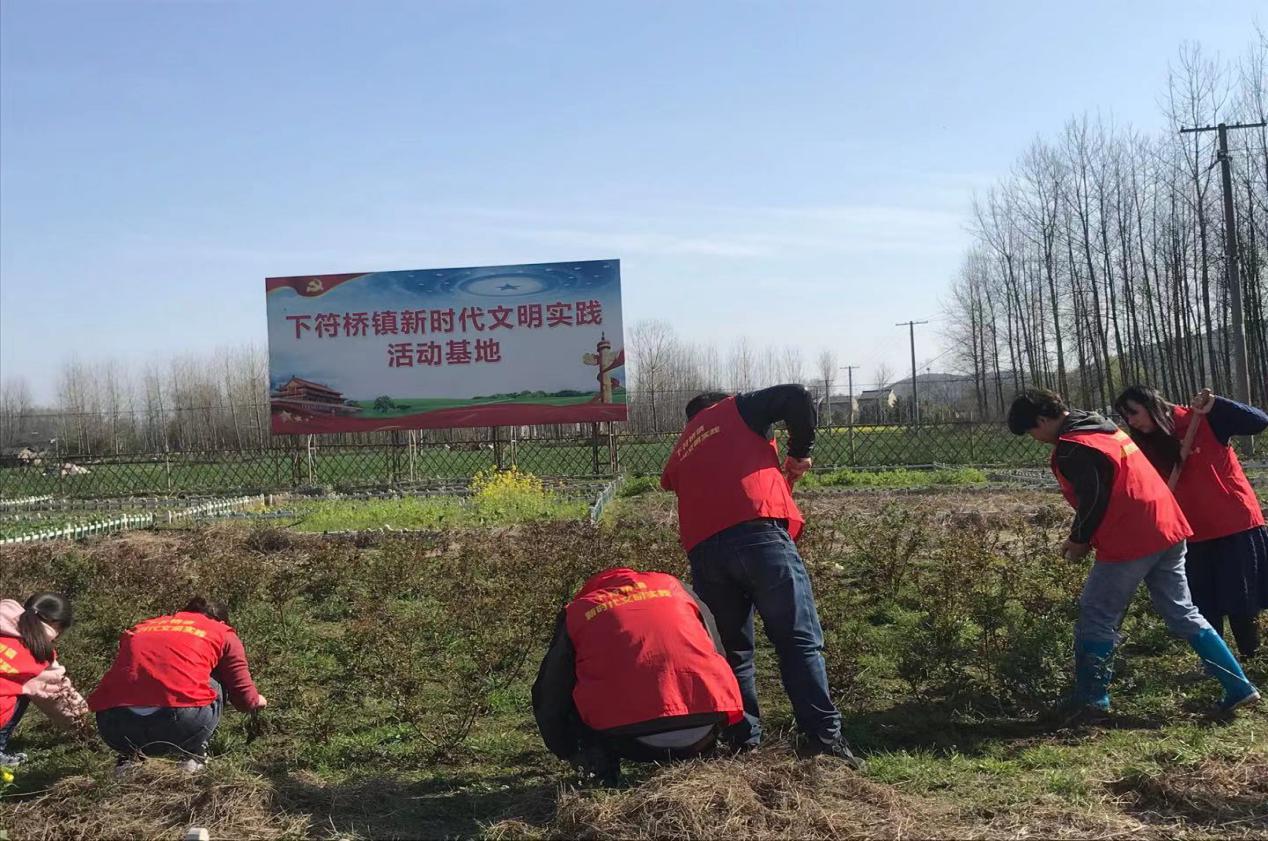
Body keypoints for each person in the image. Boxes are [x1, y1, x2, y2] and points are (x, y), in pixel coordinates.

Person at [1006, 388, 1259, 715]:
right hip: (1168, 527)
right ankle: (1238, 686)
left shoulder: (1074, 447)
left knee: (1096, 614)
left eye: (1031, 431)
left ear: (1042, 420)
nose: (1036, 438)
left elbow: (1094, 497)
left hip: (1131, 538)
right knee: (1182, 612)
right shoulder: (1102, 427)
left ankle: (1091, 698)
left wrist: (1079, 539)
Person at [659, 384, 860, 767]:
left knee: (733, 653)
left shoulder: (682, 447)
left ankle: (743, 744)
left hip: (705, 554)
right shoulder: (735, 409)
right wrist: (799, 453)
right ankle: (823, 740)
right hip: (758, 535)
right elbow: (797, 397)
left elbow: (677, 481)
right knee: (797, 640)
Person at [533, 567, 745, 785]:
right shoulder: (678, 589)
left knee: (570, 681)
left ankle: (600, 771)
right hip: (706, 728)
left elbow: (550, 692)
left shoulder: (578, 611)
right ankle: (716, 752)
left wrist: (566, 749)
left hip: (629, 741)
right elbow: (719, 652)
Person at [1114, 385, 1268, 658]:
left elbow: (1259, 421)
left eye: (1134, 413)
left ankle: (1250, 658)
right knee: (1203, 602)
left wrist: (1218, 404)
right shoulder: (1142, 444)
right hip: (1189, 532)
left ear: (1152, 405)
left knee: (1240, 600)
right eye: (1126, 417)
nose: (1131, 421)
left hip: (1234, 524)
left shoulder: (1201, 419)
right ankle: (1217, 662)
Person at [88, 597, 267, 772]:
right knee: (214, 676)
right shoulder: (222, 632)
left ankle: (128, 758)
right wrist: (258, 700)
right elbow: (245, 700)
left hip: (114, 727)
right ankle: (194, 753)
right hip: (181, 725)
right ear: (222, 621)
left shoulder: (142, 627)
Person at [0, 593, 90, 766]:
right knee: (25, 689)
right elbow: (60, 699)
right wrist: (86, 726)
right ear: (56, 625)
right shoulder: (38, 656)